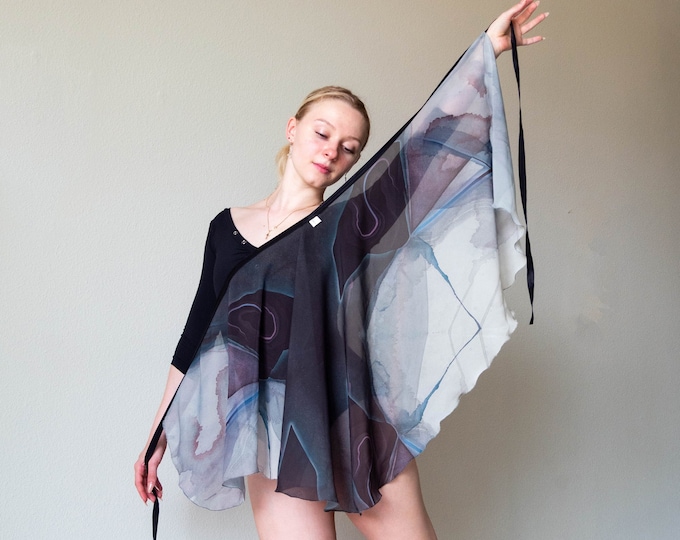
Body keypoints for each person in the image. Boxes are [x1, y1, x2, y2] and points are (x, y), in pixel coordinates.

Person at [134, 2, 548, 538]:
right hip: (274, 428)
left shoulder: (349, 223)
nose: (332, 152)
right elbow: (197, 335)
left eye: (349, 148)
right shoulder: (225, 227)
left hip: (353, 415)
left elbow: (422, 151)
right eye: (322, 133)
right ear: (293, 128)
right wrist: (158, 434)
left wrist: (483, 53)